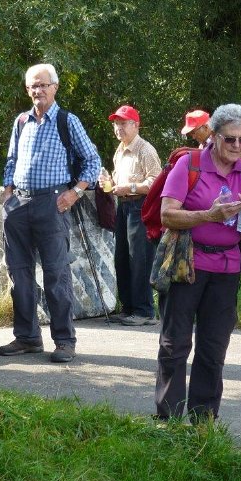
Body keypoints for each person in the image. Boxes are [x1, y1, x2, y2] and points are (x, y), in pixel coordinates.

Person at [155, 104, 241, 422]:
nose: (238, 147)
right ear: (213, 136)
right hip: (187, 265)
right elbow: (167, 214)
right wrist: (209, 215)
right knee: (175, 343)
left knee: (214, 348)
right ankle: (168, 418)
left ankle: (203, 420)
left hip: (227, 270)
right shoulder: (190, 164)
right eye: (231, 139)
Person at [0, 63, 101, 363]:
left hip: (52, 203)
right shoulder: (21, 121)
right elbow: (11, 160)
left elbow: (92, 161)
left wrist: (75, 192)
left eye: (43, 84)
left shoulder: (68, 121)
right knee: (19, 274)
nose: (37, 90)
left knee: (56, 274)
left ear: (55, 87)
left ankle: (64, 341)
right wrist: (7, 193)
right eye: (33, 85)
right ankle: (28, 337)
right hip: (18, 204)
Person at [98, 105, 161, 326]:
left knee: (140, 259)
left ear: (136, 125)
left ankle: (144, 311)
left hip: (140, 206)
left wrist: (129, 188)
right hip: (123, 207)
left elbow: (155, 182)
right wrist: (108, 183)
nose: (119, 128)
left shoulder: (145, 150)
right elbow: (117, 183)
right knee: (122, 258)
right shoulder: (119, 150)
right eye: (116, 123)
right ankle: (128, 307)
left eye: (123, 123)